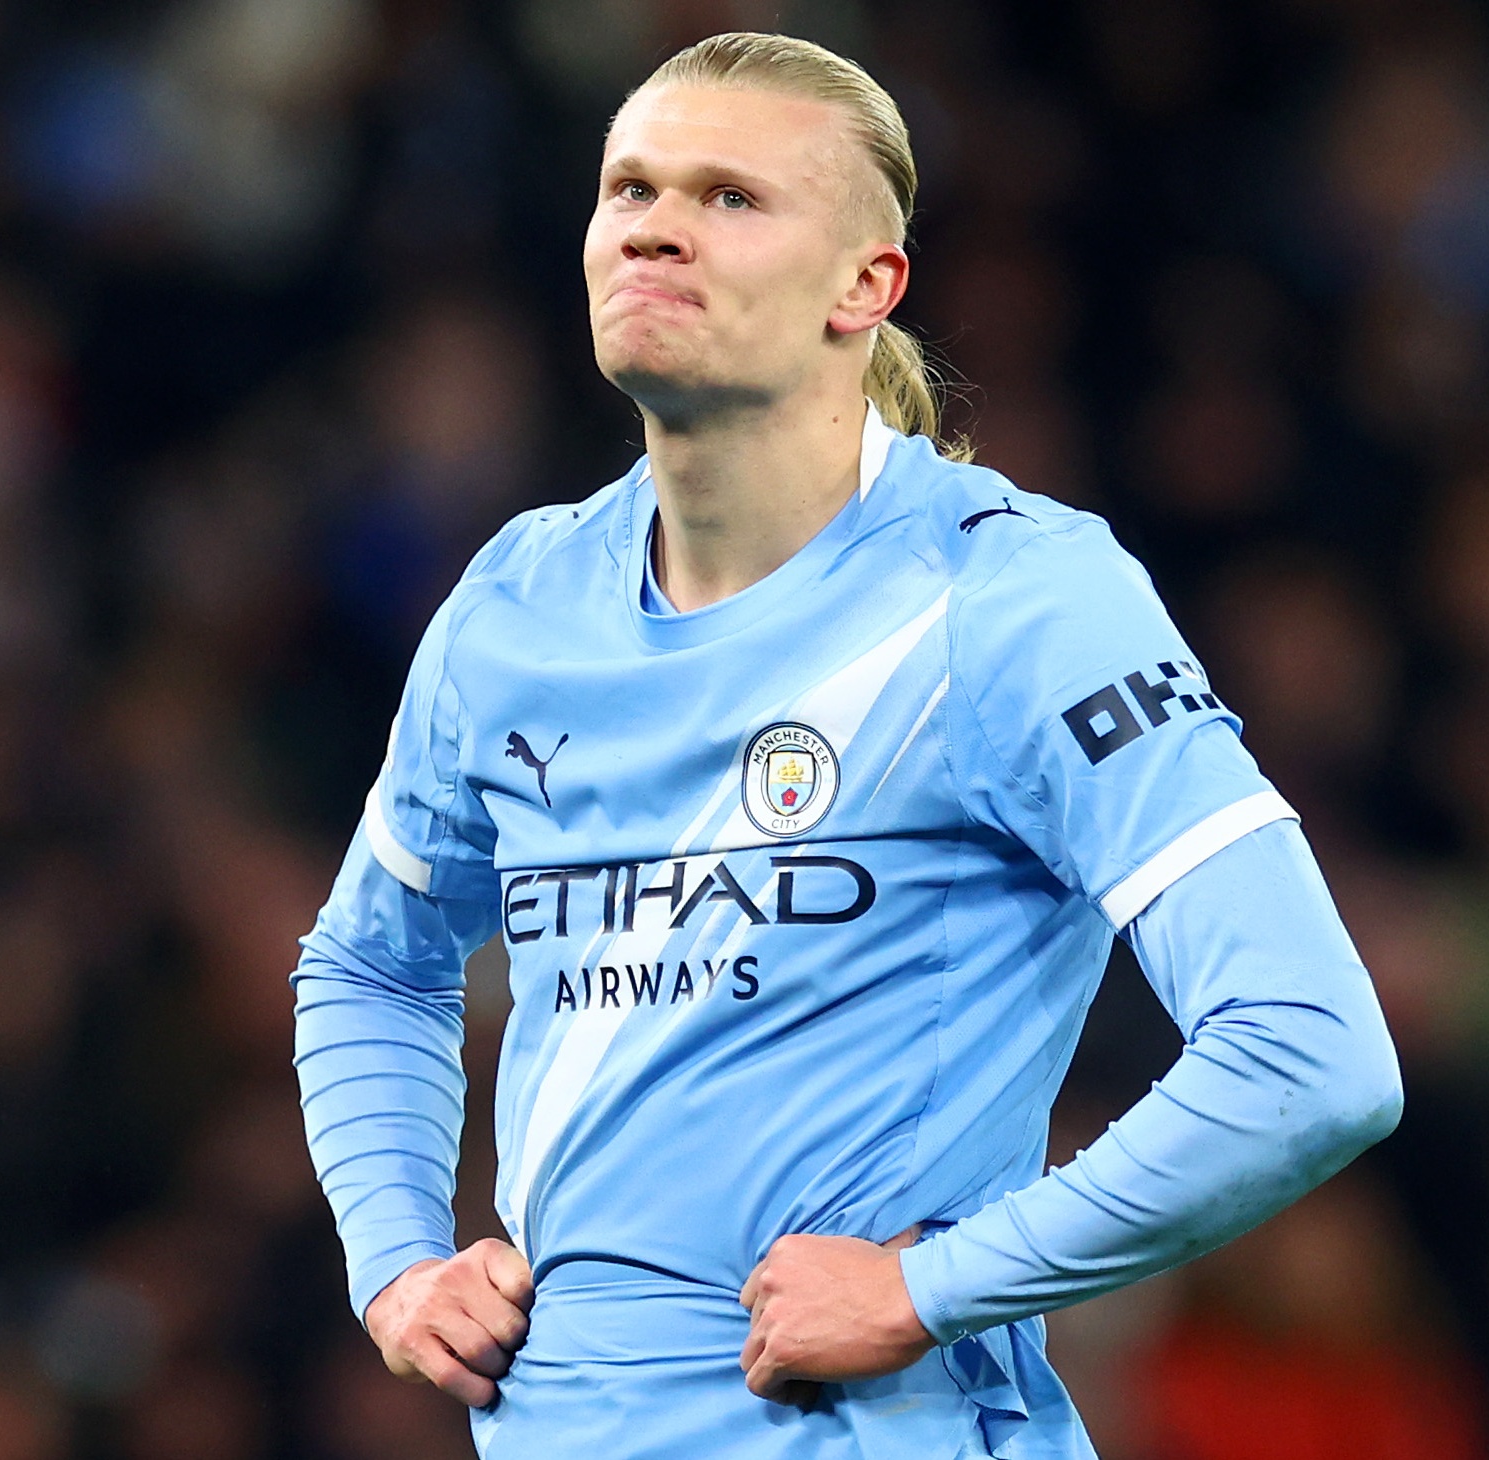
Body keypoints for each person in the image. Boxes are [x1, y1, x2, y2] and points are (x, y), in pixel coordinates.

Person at [292, 32, 1403, 1458]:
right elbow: (371, 961)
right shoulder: (516, 603)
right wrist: (393, 1258)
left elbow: (1312, 1052)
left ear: (866, 286)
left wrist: (935, 1287)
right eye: (628, 188)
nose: (656, 227)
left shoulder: (1012, 598)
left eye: (730, 198)